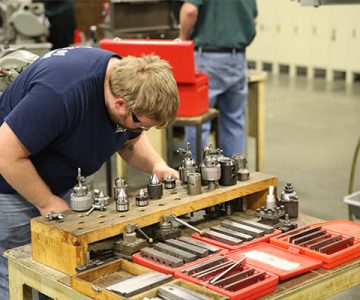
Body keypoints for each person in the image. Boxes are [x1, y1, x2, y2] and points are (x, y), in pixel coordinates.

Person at [0, 46, 179, 299]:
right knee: (18, 275)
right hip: (9, 186)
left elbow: (130, 139)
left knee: (57, 274)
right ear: (119, 105)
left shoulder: (124, 83)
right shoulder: (60, 93)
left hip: (61, 185)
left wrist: (157, 165)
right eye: (141, 123)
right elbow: (5, 153)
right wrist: (46, 201)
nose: (142, 130)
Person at [179, 0, 258, 159]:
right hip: (237, 58)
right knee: (234, 120)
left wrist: (182, 38)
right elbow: (254, 20)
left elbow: (190, 11)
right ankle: (234, 174)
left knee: (198, 120)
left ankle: (197, 175)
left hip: (206, 58)